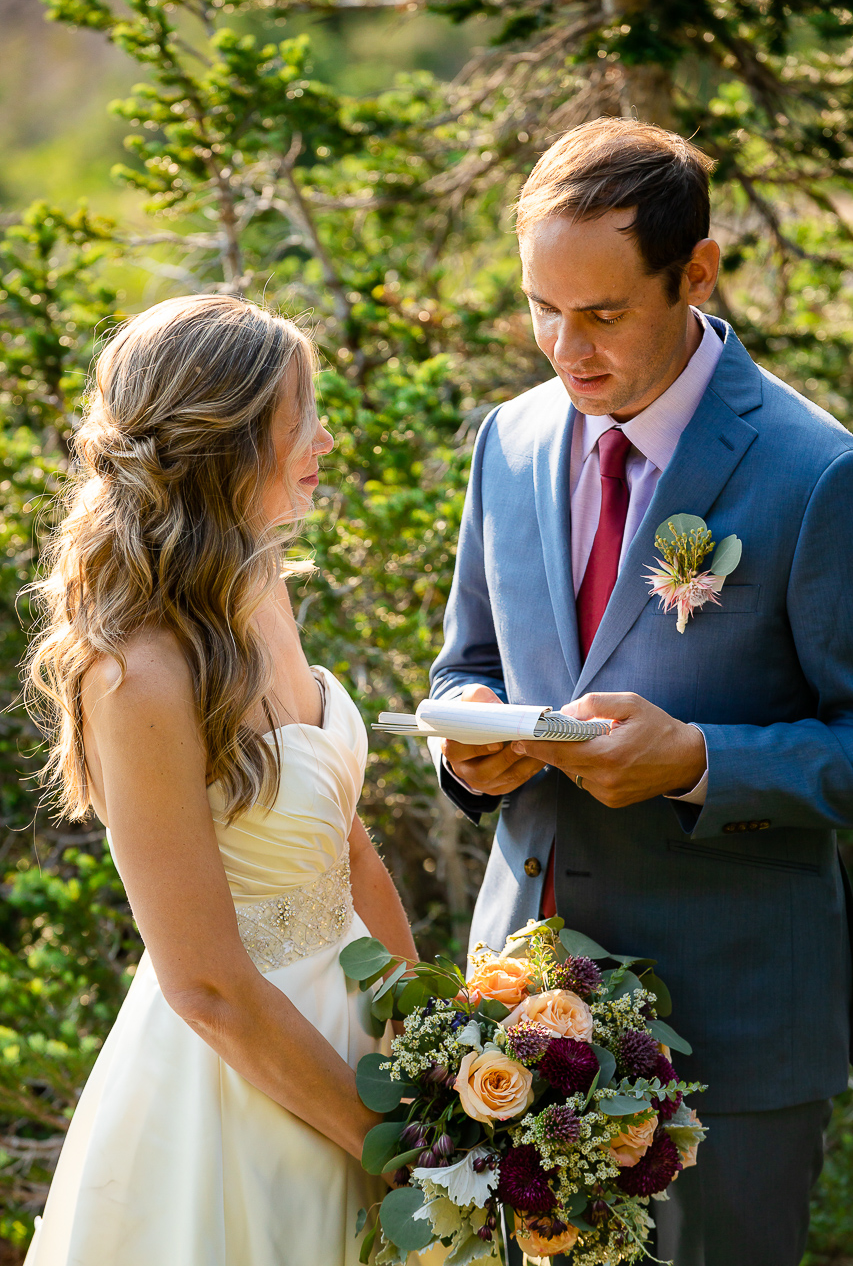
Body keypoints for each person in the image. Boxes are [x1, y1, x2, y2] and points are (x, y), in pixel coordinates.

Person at [430, 118, 853, 1266]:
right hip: (520, 1016)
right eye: (540, 308)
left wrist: (702, 760)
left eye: (603, 313)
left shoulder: (816, 470)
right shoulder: (508, 440)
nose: (565, 348)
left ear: (697, 271)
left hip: (733, 1030)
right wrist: (464, 749)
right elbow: (463, 662)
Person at [24, 295, 417, 1266]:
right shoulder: (137, 671)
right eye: (301, 417)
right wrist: (381, 1148)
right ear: (228, 439)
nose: (323, 438)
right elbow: (203, 983)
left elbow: (342, 837)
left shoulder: (260, 579)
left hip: (357, 1035)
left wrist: (429, 1042)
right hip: (241, 1081)